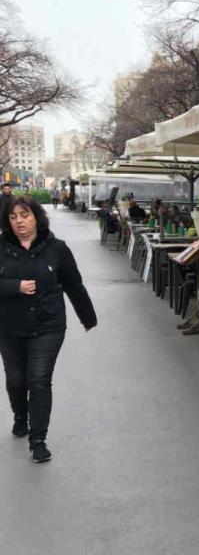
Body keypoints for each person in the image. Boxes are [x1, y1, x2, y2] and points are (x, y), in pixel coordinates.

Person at [0, 196, 96, 463]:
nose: (19, 221)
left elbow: (73, 284)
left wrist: (87, 317)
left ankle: (38, 439)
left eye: (24, 215)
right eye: (13, 216)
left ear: (36, 217)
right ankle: (21, 416)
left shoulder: (57, 249)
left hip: (48, 326)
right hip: (9, 327)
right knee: (16, 380)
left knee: (39, 380)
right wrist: (13, 287)